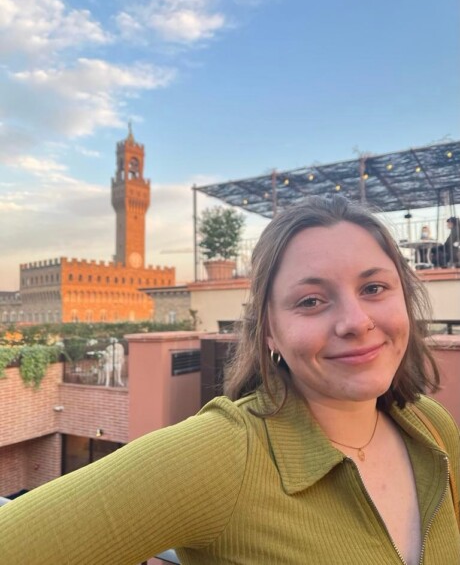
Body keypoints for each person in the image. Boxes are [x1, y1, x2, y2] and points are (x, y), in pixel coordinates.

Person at [0, 196, 459, 565]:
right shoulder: (223, 454)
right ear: (270, 331)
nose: (356, 322)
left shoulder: (431, 428)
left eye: (374, 288)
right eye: (312, 301)